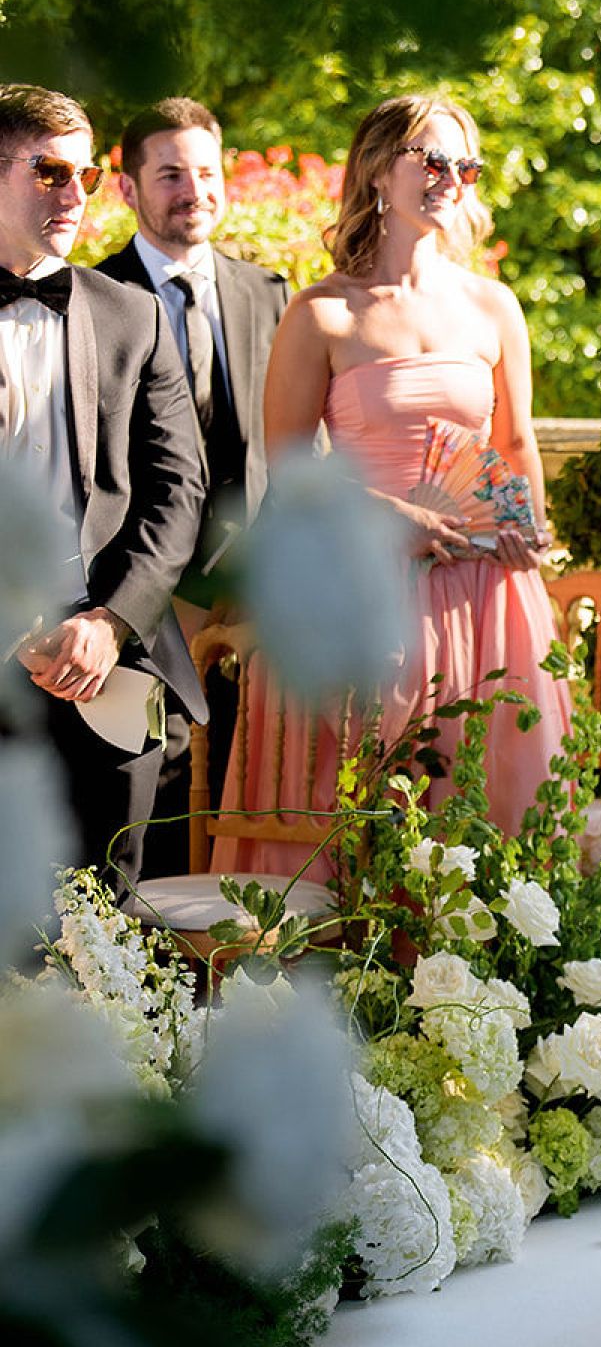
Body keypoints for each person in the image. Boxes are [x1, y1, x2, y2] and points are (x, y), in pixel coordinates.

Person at [215, 92, 569, 878]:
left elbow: (512, 441)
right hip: (360, 587)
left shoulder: (494, 307)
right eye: (431, 160)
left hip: (484, 594)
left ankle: (475, 994)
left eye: (464, 166)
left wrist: (527, 525)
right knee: (362, 806)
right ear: (378, 170)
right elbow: (291, 470)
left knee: (485, 807)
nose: (450, 178)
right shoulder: (322, 314)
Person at [0, 83, 206, 881]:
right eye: (50, 171)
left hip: (106, 663)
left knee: (104, 926)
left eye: (86, 176)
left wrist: (110, 623)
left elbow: (176, 492)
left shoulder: (133, 315)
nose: (74, 195)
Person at [98, 97, 288, 869]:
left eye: (206, 172)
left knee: (249, 792)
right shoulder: (92, 297)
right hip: (142, 592)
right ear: (127, 188)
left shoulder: (269, 293)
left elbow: (287, 445)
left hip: (252, 597)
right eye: (170, 173)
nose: (194, 190)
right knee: (155, 797)